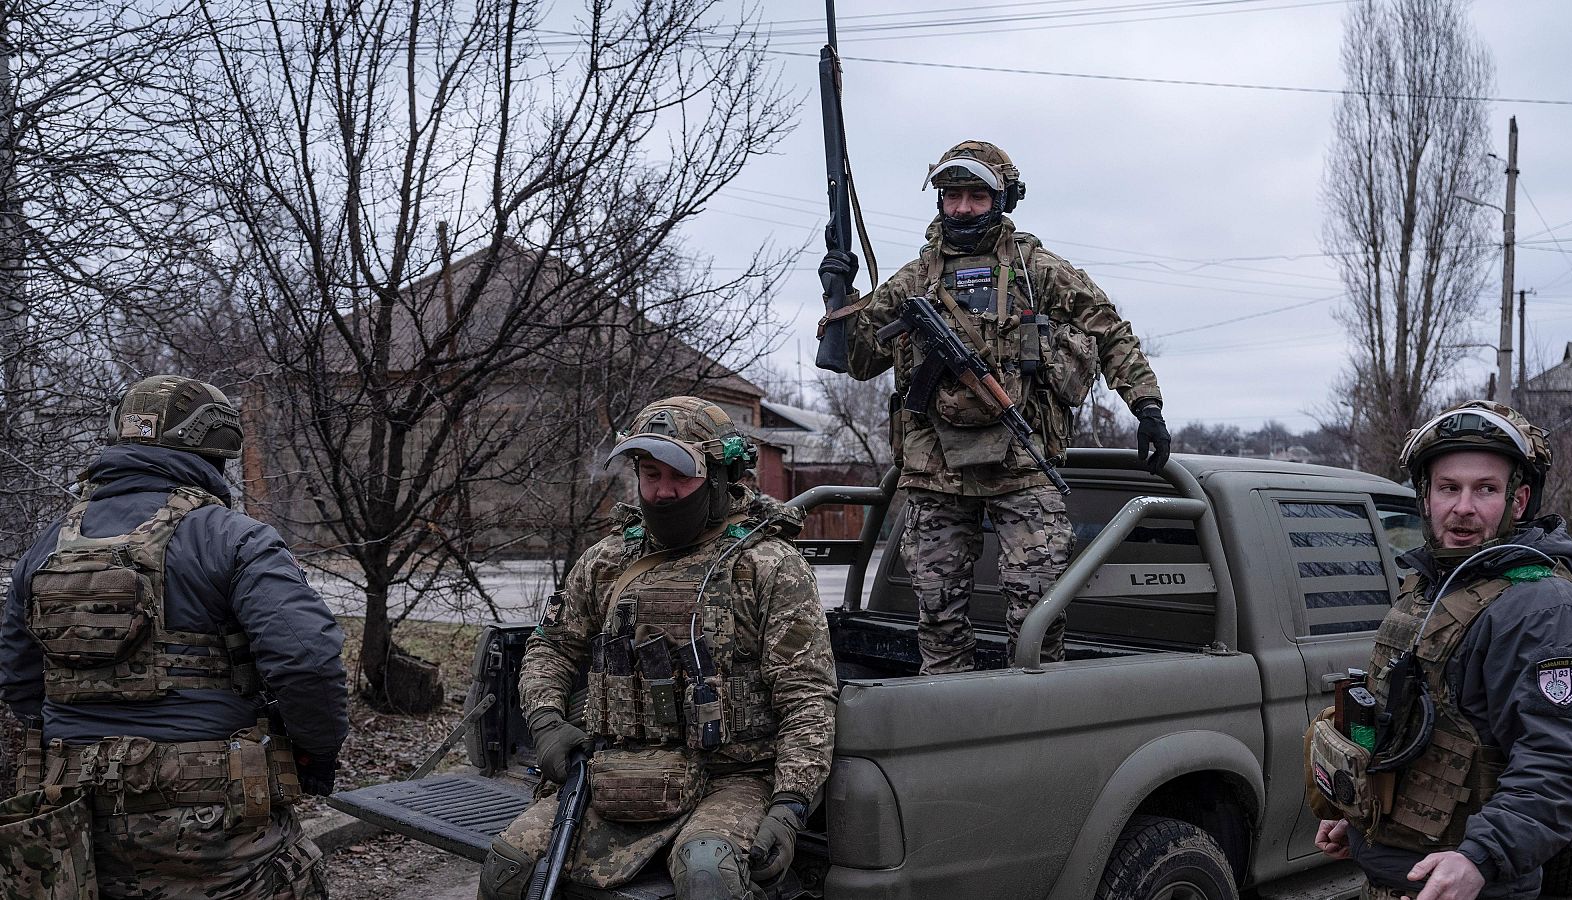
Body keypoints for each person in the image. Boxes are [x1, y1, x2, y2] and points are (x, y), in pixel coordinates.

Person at [819, 139, 1171, 674]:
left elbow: (1109, 329)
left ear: (1001, 199)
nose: (961, 207)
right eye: (951, 195)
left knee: (1038, 610)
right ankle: (950, 715)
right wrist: (838, 297)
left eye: (976, 196)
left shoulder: (1036, 270)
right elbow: (861, 361)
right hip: (935, 474)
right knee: (937, 613)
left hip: (1022, 467)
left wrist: (1145, 405)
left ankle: (1032, 716)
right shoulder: (915, 279)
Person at [0, 374, 349, 899]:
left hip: (73, 817)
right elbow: (308, 663)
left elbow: (20, 681)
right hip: (216, 824)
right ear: (216, 452)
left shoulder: (47, 545)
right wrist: (316, 752)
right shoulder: (233, 536)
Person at [479, 397, 837, 900]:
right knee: (507, 868)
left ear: (718, 477)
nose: (662, 492)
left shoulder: (768, 566)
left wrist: (790, 805)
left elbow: (807, 697)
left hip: (729, 779)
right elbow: (552, 648)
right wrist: (546, 723)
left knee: (708, 873)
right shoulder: (607, 560)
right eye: (650, 474)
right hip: (611, 771)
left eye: (680, 477)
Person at [1308, 400, 1572, 900]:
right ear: (1426, 497)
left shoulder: (1543, 610)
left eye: (1485, 489)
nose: (1463, 507)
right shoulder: (1430, 586)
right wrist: (1361, 820)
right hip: (1399, 875)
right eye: (1449, 488)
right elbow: (1406, 727)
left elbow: (1560, 761)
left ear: (1519, 499)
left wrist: (1480, 857)